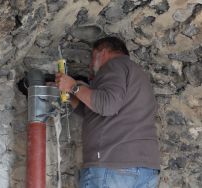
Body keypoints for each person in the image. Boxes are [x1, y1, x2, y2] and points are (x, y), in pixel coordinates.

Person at [55, 36, 160, 188]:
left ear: (102, 52)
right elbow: (99, 112)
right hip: (146, 170)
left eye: (92, 58)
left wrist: (74, 87)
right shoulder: (137, 74)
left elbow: (107, 105)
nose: (91, 65)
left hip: (113, 166)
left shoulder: (113, 66)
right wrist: (72, 96)